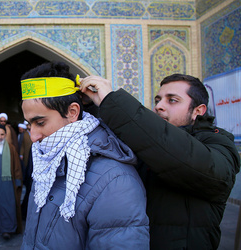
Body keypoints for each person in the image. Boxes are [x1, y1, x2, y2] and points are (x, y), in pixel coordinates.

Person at [80, 74, 241, 249]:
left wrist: (113, 101)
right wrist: (91, 106)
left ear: (198, 110)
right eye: (158, 99)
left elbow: (181, 154)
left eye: (172, 100)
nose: (159, 106)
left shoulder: (218, 144)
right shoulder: (145, 142)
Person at [20, 61, 149, 249]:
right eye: (28, 125)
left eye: (40, 122)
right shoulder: (46, 165)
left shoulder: (113, 179)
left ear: (72, 112)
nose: (33, 136)